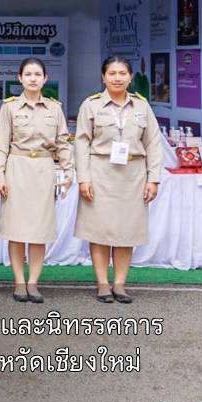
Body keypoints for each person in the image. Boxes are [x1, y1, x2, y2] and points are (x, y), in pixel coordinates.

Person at [74, 56, 162, 304]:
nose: (117, 78)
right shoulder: (91, 106)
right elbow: (81, 144)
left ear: (130, 77)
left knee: (127, 231)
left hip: (133, 174)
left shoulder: (142, 107)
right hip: (100, 172)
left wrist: (153, 179)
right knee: (99, 230)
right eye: (111, 73)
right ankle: (102, 283)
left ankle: (120, 284)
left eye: (122, 73)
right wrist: (83, 179)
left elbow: (153, 143)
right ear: (103, 77)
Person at [0, 58, 73, 304]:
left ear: (45, 78)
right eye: (28, 74)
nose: (33, 78)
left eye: (38, 74)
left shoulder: (54, 108)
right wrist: (0, 175)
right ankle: (18, 281)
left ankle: (33, 283)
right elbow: (1, 145)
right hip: (17, 168)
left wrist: (68, 171)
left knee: (39, 231)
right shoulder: (10, 108)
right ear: (20, 78)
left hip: (43, 170)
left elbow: (62, 142)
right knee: (17, 231)